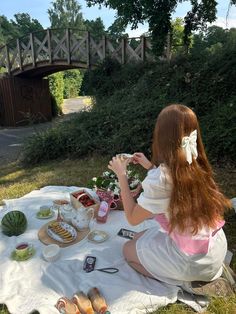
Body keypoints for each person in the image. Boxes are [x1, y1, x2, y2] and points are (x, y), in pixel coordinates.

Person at [108, 104, 234, 296]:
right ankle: (187, 274)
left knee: (127, 251)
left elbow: (133, 218)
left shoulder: (161, 178)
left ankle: (183, 283)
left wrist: (121, 175)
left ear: (162, 137)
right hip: (214, 248)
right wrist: (150, 166)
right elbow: (173, 186)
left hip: (192, 261)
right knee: (137, 238)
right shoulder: (195, 161)